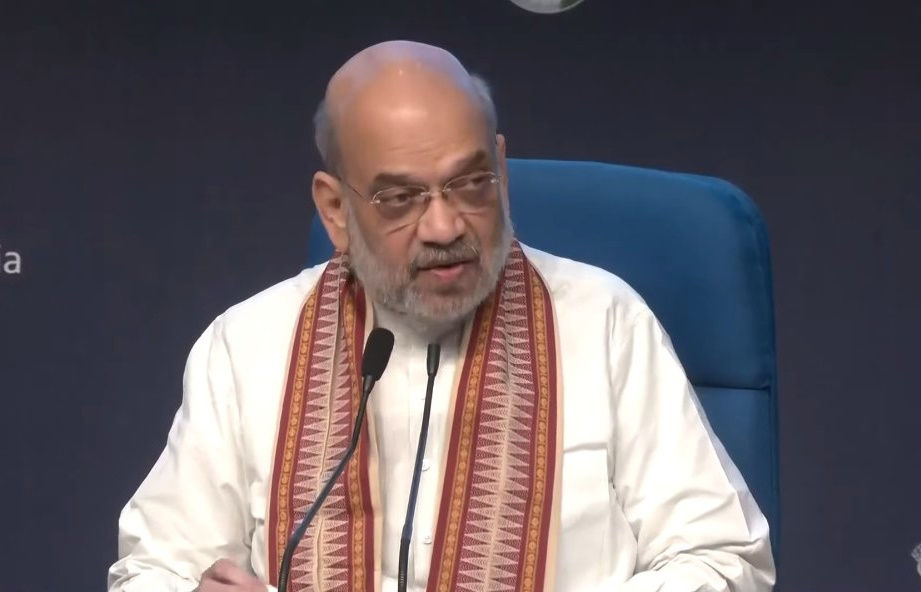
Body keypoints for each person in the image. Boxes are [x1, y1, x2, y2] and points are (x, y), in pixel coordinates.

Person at [108, 40, 775, 592]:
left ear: (501, 170)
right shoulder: (247, 346)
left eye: (470, 183)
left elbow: (723, 561)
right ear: (335, 210)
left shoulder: (605, 323)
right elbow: (154, 569)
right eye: (400, 199)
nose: (444, 226)